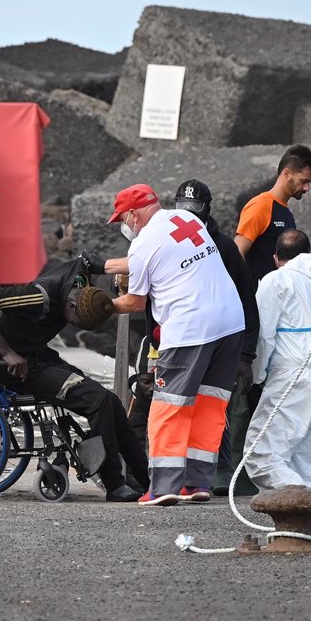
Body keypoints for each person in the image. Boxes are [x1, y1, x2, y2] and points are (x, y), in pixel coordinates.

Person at [0, 256, 149, 502]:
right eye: (76, 322)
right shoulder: (37, 297)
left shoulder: (81, 281)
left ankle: (144, 479)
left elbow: (84, 260)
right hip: (16, 370)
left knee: (111, 402)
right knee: (97, 400)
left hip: (41, 358)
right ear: (70, 305)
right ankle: (114, 483)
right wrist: (7, 353)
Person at [109, 184, 244, 506]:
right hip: (230, 322)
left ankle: (164, 487)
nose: (124, 226)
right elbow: (169, 260)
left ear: (132, 214)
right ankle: (196, 483)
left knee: (169, 406)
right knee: (209, 406)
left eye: (122, 220)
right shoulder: (189, 221)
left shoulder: (141, 247)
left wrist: (103, 304)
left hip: (190, 328)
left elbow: (134, 302)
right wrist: (107, 265)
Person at [170, 180, 259, 496]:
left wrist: (246, 356)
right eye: (183, 210)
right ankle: (180, 476)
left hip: (222, 342)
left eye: (195, 211)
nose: (189, 217)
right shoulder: (172, 242)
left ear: (207, 209)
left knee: (216, 411)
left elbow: (246, 299)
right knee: (179, 409)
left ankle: (218, 475)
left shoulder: (223, 247)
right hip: (182, 341)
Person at [244, 230, 311, 490]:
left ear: (276, 258)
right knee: (310, 469)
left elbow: (264, 335)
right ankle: (304, 525)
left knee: (262, 457)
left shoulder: (276, 280)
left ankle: (297, 502)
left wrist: (256, 377)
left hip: (293, 380)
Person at [235, 145, 311, 281]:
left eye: (309, 183)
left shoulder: (286, 213)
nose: (307, 188)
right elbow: (237, 253)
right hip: (259, 298)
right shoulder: (260, 206)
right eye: (304, 181)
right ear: (287, 174)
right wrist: (248, 294)